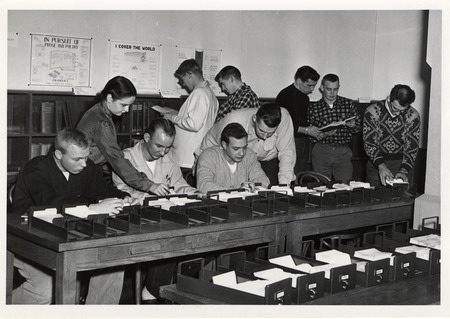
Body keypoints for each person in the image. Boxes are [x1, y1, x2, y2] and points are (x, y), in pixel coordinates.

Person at [11, 128, 135, 304]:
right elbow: (52, 203)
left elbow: (104, 190)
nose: (84, 164)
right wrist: (92, 209)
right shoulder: (35, 168)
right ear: (58, 154)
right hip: (27, 237)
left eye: (86, 157)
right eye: (77, 159)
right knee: (47, 288)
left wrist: (126, 198)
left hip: (69, 235)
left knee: (112, 261)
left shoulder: (86, 166)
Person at [112, 118, 200, 303]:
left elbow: (179, 184)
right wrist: (149, 198)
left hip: (165, 216)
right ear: (146, 138)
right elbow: (121, 192)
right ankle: (152, 293)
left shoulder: (168, 157)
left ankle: (168, 289)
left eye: (168, 147)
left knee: (192, 236)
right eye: (159, 146)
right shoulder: (125, 158)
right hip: (135, 218)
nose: (163, 152)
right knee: (168, 239)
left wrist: (196, 193)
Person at [77, 76, 166, 196]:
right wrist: (149, 185)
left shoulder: (96, 110)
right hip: (83, 174)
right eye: (123, 105)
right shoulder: (102, 123)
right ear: (109, 98)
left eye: (129, 105)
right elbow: (116, 158)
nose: (127, 110)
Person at [196, 103, 296, 186]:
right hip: (234, 157)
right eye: (261, 130)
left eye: (270, 133)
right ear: (254, 119)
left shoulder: (284, 119)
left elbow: (287, 153)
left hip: (265, 159)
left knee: (266, 190)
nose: (265, 137)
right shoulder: (234, 119)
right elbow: (210, 141)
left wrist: (284, 185)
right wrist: (200, 161)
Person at [160, 59, 219, 183]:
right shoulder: (210, 94)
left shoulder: (199, 93)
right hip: (193, 154)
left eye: (183, 79)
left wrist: (171, 118)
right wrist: (177, 115)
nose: (183, 84)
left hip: (186, 158)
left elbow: (194, 124)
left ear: (189, 75)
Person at [363, 84, 420, 187]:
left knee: (403, 200)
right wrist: (381, 166)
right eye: (395, 108)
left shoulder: (413, 115)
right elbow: (369, 143)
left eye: (402, 110)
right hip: (376, 164)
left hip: (402, 163)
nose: (397, 113)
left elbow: (412, 147)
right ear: (389, 98)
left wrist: (403, 170)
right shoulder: (372, 111)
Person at [308, 73, 361, 183]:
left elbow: (358, 129)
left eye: (335, 89)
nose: (332, 93)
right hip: (321, 151)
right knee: (321, 187)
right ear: (322, 88)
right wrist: (323, 134)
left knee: (345, 187)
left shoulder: (348, 104)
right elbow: (311, 136)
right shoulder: (314, 108)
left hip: (343, 152)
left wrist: (353, 125)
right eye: (329, 89)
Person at [197, 123, 270, 192]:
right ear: (224, 145)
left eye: (244, 147)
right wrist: (236, 190)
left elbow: (263, 180)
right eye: (236, 149)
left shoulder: (249, 154)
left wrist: (252, 185)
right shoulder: (208, 156)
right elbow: (203, 186)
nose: (242, 153)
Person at [276, 65, 321, 174]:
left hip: (302, 141)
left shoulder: (304, 97)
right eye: (309, 85)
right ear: (299, 80)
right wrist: (307, 130)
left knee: (299, 172)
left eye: (314, 86)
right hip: (289, 142)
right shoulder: (285, 95)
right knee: (291, 173)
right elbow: (284, 125)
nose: (312, 90)